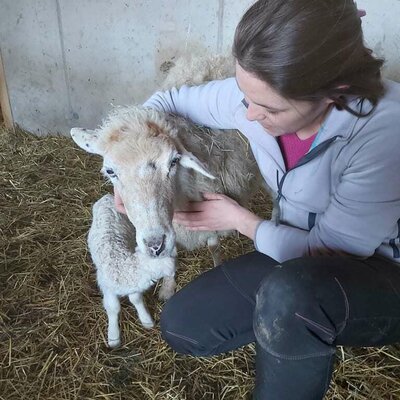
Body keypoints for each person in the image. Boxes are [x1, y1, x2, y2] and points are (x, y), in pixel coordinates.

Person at [115, 0, 400, 398]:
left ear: (333, 92)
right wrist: (128, 168)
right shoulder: (255, 93)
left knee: (291, 300)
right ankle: (306, 324)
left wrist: (241, 220)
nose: (246, 115)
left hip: (380, 267)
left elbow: (332, 252)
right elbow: (167, 102)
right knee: (185, 324)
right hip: (292, 251)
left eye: (268, 108)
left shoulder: (383, 132)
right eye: (244, 93)